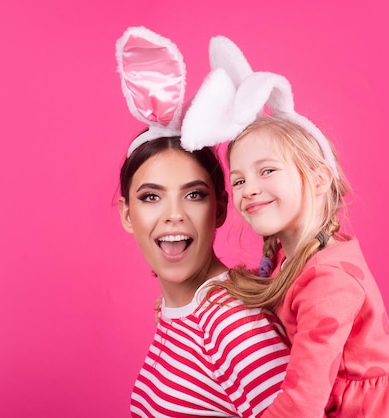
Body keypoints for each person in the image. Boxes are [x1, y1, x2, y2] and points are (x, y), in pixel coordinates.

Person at [180, 36, 389, 417]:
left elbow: (302, 406)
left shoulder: (329, 281)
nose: (249, 189)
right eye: (238, 180)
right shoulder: (294, 258)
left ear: (320, 179)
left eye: (267, 170)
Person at [115, 27, 290, 418]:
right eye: (151, 197)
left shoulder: (232, 322)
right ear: (128, 215)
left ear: (221, 209)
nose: (173, 214)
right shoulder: (179, 311)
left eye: (194, 194)